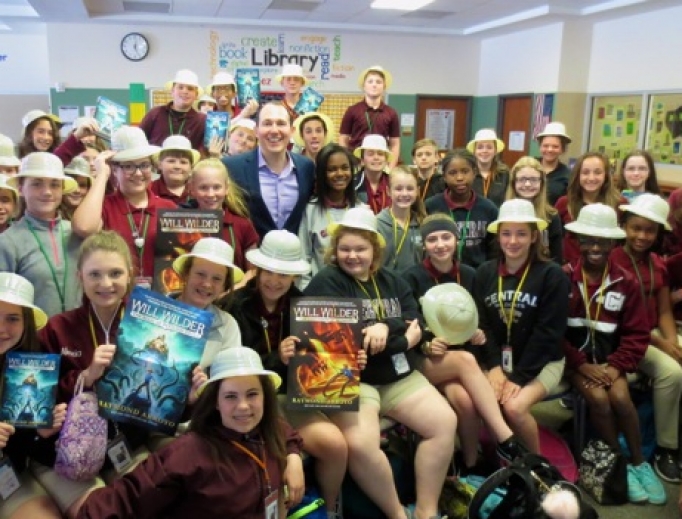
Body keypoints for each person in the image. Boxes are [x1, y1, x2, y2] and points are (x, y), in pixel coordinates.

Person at [305, 207, 457, 519]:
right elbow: (333, 338)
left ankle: (426, 512)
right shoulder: (327, 281)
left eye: (360, 249)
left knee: (444, 422)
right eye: (345, 249)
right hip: (353, 381)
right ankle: (397, 514)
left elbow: (414, 318)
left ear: (375, 249)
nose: (352, 256)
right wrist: (400, 338)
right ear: (335, 251)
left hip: (398, 377)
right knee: (361, 445)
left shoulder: (393, 280)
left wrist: (386, 327)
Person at [76, 346, 305, 519]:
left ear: (265, 397)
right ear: (215, 401)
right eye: (231, 396)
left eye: (252, 394)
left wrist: (293, 457)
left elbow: (285, 431)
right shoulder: (188, 453)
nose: (243, 406)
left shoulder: (267, 429)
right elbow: (124, 500)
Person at [221, 230, 348, 518]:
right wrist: (276, 358)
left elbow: (324, 360)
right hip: (250, 400)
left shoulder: (307, 307)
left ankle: (328, 510)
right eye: (269, 271)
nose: (275, 280)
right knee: (270, 459)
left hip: (292, 397)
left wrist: (347, 359)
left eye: (284, 274)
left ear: (294, 276)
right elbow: (232, 369)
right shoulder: (232, 306)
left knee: (335, 444)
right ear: (258, 269)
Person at [402, 215, 526, 473]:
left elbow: (484, 320)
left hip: (463, 359)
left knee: (465, 401)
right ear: (423, 244)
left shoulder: (471, 274)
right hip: (428, 359)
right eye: (432, 239)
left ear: (456, 240)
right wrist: (426, 343)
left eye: (446, 237)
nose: (440, 244)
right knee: (466, 361)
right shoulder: (411, 277)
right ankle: (505, 438)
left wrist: (480, 335)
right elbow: (408, 320)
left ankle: (469, 463)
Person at [562, 204, 667, 505]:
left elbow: (637, 334)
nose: (594, 247)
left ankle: (638, 463)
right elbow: (553, 334)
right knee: (598, 399)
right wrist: (581, 365)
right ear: (578, 241)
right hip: (576, 364)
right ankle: (619, 462)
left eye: (602, 241)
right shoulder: (563, 278)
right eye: (588, 240)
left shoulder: (626, 281)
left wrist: (616, 367)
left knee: (620, 397)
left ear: (613, 243)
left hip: (611, 362)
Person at [474, 199, 568, 454]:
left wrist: (518, 377)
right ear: (498, 236)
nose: (512, 241)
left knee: (514, 408)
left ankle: (537, 466)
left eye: (521, 234)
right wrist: (494, 367)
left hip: (543, 361)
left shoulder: (553, 275)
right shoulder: (484, 273)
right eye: (506, 233)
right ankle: (499, 459)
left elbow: (548, 334)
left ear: (534, 237)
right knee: (484, 400)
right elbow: (483, 325)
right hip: (500, 359)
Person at [612, 194, 682, 483]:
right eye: (636, 228)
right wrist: (665, 346)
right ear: (624, 226)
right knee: (673, 373)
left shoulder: (657, 263)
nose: (642, 236)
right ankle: (668, 448)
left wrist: (674, 342)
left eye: (649, 230)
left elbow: (665, 309)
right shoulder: (614, 260)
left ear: (658, 234)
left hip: (655, 333)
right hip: (627, 338)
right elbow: (621, 324)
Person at [71, 126, 176, 286]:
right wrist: (101, 175)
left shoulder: (168, 208)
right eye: (128, 166)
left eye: (144, 165)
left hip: (158, 302)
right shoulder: (104, 206)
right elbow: (84, 228)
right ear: (114, 169)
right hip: (113, 298)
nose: (138, 173)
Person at [0, 273, 66, 519]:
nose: (2, 329)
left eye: (13, 319)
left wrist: (41, 434)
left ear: (26, 322)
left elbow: (30, 451)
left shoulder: (34, 365)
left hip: (11, 476)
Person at [0, 152, 81, 317]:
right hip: (33, 338)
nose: (47, 192)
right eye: (37, 184)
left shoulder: (77, 232)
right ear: (21, 189)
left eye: (55, 185)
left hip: (78, 335)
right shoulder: (8, 241)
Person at [222, 102, 315, 238]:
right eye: (267, 123)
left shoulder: (306, 167)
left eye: (281, 123)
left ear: (292, 131)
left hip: (294, 255)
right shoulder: (231, 167)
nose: (274, 130)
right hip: (250, 255)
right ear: (256, 131)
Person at [298, 143, 362, 288]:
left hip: (355, 292)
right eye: (332, 169)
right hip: (320, 291)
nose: (340, 174)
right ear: (322, 174)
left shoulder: (361, 210)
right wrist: (306, 294)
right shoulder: (310, 210)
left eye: (345, 168)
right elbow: (303, 257)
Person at [424, 148, 498, 269]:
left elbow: (494, 251)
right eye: (452, 173)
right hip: (439, 274)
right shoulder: (431, 206)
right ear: (444, 176)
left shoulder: (489, 209)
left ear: (474, 172)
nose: (459, 178)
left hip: (477, 276)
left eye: (465, 171)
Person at [184, 158, 259, 274]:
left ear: (226, 188)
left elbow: (252, 272)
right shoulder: (180, 223)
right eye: (203, 187)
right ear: (192, 189)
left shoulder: (242, 225)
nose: (210, 194)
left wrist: (233, 289)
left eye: (217, 187)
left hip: (234, 290)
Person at [555, 151, 623, 265]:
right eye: (585, 172)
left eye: (597, 172)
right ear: (578, 175)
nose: (591, 178)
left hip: (606, 269)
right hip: (570, 271)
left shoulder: (619, 204)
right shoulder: (564, 203)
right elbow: (555, 240)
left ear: (606, 175)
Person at [339, 65, 400, 167]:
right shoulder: (352, 110)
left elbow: (395, 144)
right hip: (356, 163)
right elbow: (343, 139)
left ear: (384, 86)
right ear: (364, 86)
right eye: (370, 81)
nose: (374, 85)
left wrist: (390, 169)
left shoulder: (391, 113)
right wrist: (348, 163)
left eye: (378, 82)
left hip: (380, 163)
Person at [505, 156, 562, 263]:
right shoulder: (504, 214)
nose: (527, 184)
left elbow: (556, 256)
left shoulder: (551, 216)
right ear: (513, 183)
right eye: (522, 179)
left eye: (534, 180)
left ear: (542, 183)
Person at [138, 69, 206, 150]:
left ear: (196, 95)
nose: (185, 91)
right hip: (155, 162)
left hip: (187, 162)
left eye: (190, 89)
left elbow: (203, 149)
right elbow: (139, 139)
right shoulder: (155, 113)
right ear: (172, 91)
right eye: (180, 87)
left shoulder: (201, 121)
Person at [376, 166, 425, 271]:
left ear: (417, 191)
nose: (404, 194)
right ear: (388, 191)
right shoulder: (377, 225)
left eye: (410, 188)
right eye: (398, 189)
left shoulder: (423, 224)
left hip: (416, 285)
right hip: (387, 285)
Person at [150, 135, 200, 205]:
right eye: (171, 161)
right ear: (160, 165)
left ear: (191, 167)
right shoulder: (149, 190)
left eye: (183, 162)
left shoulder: (199, 191)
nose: (177, 166)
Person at [468, 129, 509, 208]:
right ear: (474, 151)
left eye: (489, 147)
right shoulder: (467, 173)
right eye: (480, 147)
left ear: (495, 151)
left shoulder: (505, 174)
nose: (484, 151)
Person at [353, 134, 392, 214]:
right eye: (370, 154)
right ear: (362, 160)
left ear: (386, 160)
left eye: (380, 154)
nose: (376, 157)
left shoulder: (393, 182)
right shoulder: (352, 184)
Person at [535, 122, 572, 205]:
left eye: (555, 146)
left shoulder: (567, 175)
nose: (550, 150)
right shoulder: (529, 166)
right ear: (540, 147)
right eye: (545, 146)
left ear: (562, 149)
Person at [59, 157, 92, 221]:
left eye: (82, 185)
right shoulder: (51, 214)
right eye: (71, 184)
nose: (77, 190)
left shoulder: (95, 213)